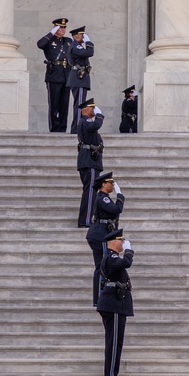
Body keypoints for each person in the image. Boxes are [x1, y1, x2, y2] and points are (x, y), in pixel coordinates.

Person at [97, 229, 133, 376]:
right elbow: (126, 263)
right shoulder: (111, 257)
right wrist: (129, 252)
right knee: (114, 344)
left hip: (115, 304)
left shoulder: (111, 257)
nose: (123, 243)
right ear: (113, 242)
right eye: (121, 240)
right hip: (114, 305)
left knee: (116, 343)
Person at [86, 171, 124, 306]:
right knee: (102, 266)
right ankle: (100, 298)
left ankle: (99, 298)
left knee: (100, 266)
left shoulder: (103, 197)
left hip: (100, 233)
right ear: (103, 184)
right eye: (110, 182)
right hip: (100, 234)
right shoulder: (103, 198)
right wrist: (120, 196)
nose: (113, 185)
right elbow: (116, 210)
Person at [36, 18, 71, 132]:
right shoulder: (49, 41)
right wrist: (51, 33)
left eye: (64, 27)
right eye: (60, 27)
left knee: (64, 105)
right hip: (54, 75)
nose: (63, 29)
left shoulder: (68, 41)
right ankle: (55, 129)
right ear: (55, 27)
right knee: (54, 104)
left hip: (66, 75)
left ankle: (63, 128)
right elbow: (40, 44)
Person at [75, 98, 104, 228]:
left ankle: (86, 218)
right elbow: (95, 125)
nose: (93, 110)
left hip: (89, 160)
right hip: (89, 161)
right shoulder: (86, 121)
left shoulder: (85, 122)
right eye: (92, 108)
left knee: (90, 191)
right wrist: (100, 116)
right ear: (85, 110)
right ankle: (85, 220)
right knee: (91, 192)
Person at [66, 27, 94, 133]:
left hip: (80, 78)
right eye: (82, 35)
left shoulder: (77, 46)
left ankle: (77, 127)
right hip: (79, 78)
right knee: (80, 104)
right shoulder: (76, 46)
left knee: (80, 103)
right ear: (76, 36)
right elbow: (89, 52)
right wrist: (89, 42)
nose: (83, 37)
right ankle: (78, 128)